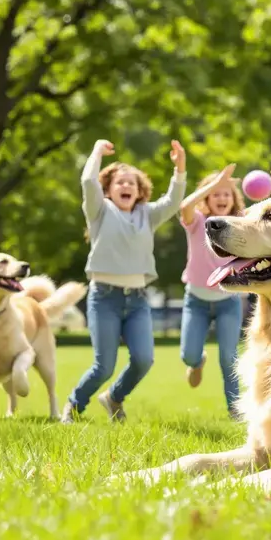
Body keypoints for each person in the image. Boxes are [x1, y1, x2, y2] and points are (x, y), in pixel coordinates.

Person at [61, 138, 187, 423]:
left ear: (140, 190)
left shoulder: (148, 215)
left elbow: (173, 201)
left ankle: (115, 397)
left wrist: (180, 168)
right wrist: (96, 152)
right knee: (103, 366)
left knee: (144, 359)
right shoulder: (99, 211)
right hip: (105, 298)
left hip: (138, 300)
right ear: (108, 189)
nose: (126, 186)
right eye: (120, 182)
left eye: (132, 182)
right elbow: (87, 182)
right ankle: (74, 404)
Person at [177, 164, 271, 419]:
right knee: (188, 355)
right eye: (215, 194)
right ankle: (197, 362)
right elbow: (185, 207)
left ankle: (235, 410)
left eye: (226, 193)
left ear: (234, 198)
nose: (221, 198)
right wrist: (217, 181)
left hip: (229, 301)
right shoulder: (197, 222)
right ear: (207, 198)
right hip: (196, 301)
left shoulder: (240, 222)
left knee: (228, 357)